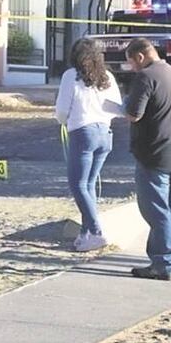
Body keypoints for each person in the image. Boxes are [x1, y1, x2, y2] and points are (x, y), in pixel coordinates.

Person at [122, 37, 171, 280]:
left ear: (140, 56)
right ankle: (168, 258)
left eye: (132, 62)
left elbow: (134, 114)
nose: (132, 68)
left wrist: (122, 106)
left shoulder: (146, 77)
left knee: (156, 211)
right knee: (168, 210)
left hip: (154, 153)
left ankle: (163, 263)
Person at [55, 38, 123, 252]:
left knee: (78, 185)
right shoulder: (107, 76)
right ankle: (85, 233)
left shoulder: (70, 76)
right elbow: (117, 107)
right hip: (105, 132)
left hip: (83, 132)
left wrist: (63, 120)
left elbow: (62, 110)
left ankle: (96, 231)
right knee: (89, 184)